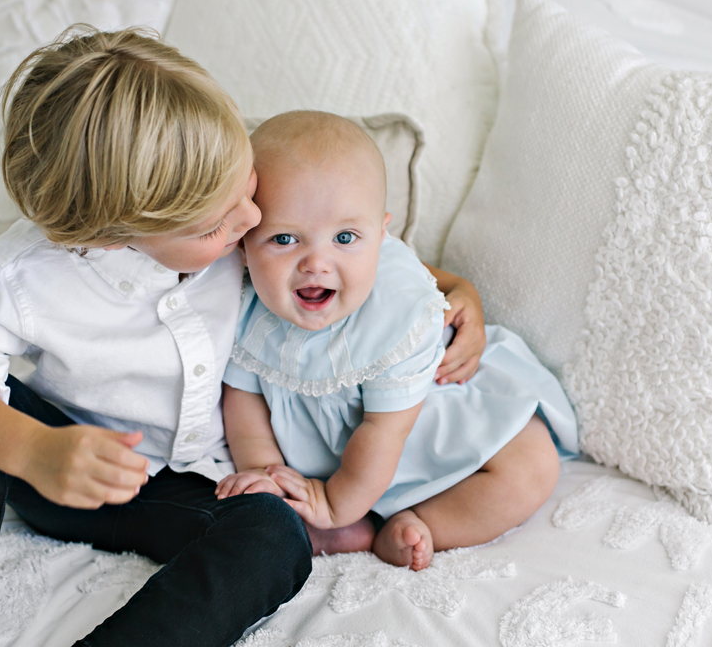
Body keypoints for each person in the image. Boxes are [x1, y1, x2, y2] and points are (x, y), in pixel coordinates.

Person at [0, 26, 297, 647]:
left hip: (189, 485)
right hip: (61, 469)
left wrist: (449, 290)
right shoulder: (30, 273)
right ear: (111, 234)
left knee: (275, 534)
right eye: (216, 224)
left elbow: (343, 247)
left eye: (250, 187)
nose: (253, 219)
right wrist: (31, 451)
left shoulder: (237, 211)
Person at [216, 111, 579, 572]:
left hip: (426, 430)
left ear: (382, 234)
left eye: (346, 237)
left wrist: (332, 506)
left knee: (531, 466)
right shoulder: (246, 305)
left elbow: (383, 432)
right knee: (285, 514)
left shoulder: (396, 310)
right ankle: (352, 525)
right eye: (284, 239)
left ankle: (422, 521)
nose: (317, 263)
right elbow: (243, 403)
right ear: (245, 245)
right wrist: (268, 476)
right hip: (337, 465)